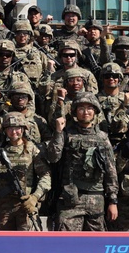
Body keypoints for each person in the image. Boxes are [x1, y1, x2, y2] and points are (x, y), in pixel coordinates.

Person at [47, 92, 118, 232]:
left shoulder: (102, 138)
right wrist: (58, 132)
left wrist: (113, 201)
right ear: (75, 112)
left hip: (96, 199)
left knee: (97, 247)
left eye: (89, 108)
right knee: (67, 245)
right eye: (81, 108)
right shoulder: (67, 134)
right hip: (70, 199)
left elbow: (111, 171)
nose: (86, 112)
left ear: (95, 111)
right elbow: (53, 157)